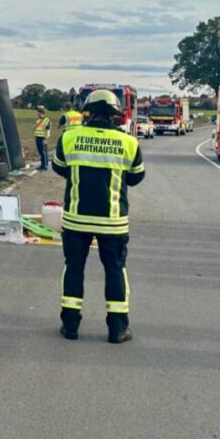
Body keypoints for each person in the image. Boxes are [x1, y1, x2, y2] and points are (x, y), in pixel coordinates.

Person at [52, 89, 145, 344]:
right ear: (115, 115)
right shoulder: (129, 142)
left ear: (88, 112)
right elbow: (136, 177)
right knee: (115, 270)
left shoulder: (70, 137)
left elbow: (59, 168)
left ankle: (70, 325)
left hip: (76, 218)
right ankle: (117, 328)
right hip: (113, 221)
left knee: (74, 267)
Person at [34, 106, 51, 170]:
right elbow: (35, 128)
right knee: (42, 152)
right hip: (37, 137)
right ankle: (44, 164)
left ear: (41, 113)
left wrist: (45, 139)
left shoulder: (47, 120)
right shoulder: (38, 120)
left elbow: (48, 131)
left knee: (43, 152)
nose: (37, 114)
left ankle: (44, 165)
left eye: (38, 113)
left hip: (42, 138)